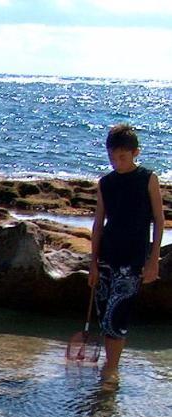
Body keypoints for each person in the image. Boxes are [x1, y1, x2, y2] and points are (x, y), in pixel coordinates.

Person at [88, 124, 164, 384]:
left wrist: (153, 260)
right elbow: (99, 224)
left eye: (122, 157)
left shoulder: (147, 178)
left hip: (133, 259)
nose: (116, 162)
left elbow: (159, 219)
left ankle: (112, 368)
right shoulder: (106, 183)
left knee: (117, 315)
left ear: (135, 153)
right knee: (104, 315)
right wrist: (93, 263)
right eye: (112, 157)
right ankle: (109, 367)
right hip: (108, 255)